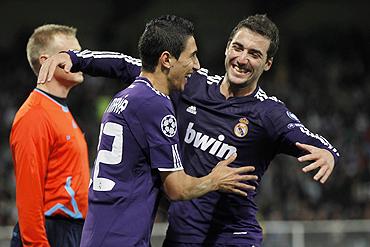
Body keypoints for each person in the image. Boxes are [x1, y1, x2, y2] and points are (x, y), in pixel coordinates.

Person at [38, 14, 340, 247]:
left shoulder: (268, 113)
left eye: (254, 54)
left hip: (233, 234)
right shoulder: (192, 84)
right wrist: (77, 58)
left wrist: (329, 154)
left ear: (268, 63)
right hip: (183, 233)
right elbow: (128, 65)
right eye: (238, 47)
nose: (242, 59)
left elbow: (309, 139)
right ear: (227, 48)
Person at [73, 15, 255, 247]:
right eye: (192, 56)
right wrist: (214, 180)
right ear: (167, 60)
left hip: (98, 233)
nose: (197, 65)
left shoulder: (125, 96)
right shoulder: (155, 104)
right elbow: (176, 188)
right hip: (122, 238)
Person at [9, 24, 90, 247]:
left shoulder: (59, 110)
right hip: (52, 232)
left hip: (69, 230)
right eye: (72, 55)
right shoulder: (34, 116)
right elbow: (28, 197)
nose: (81, 60)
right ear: (46, 61)